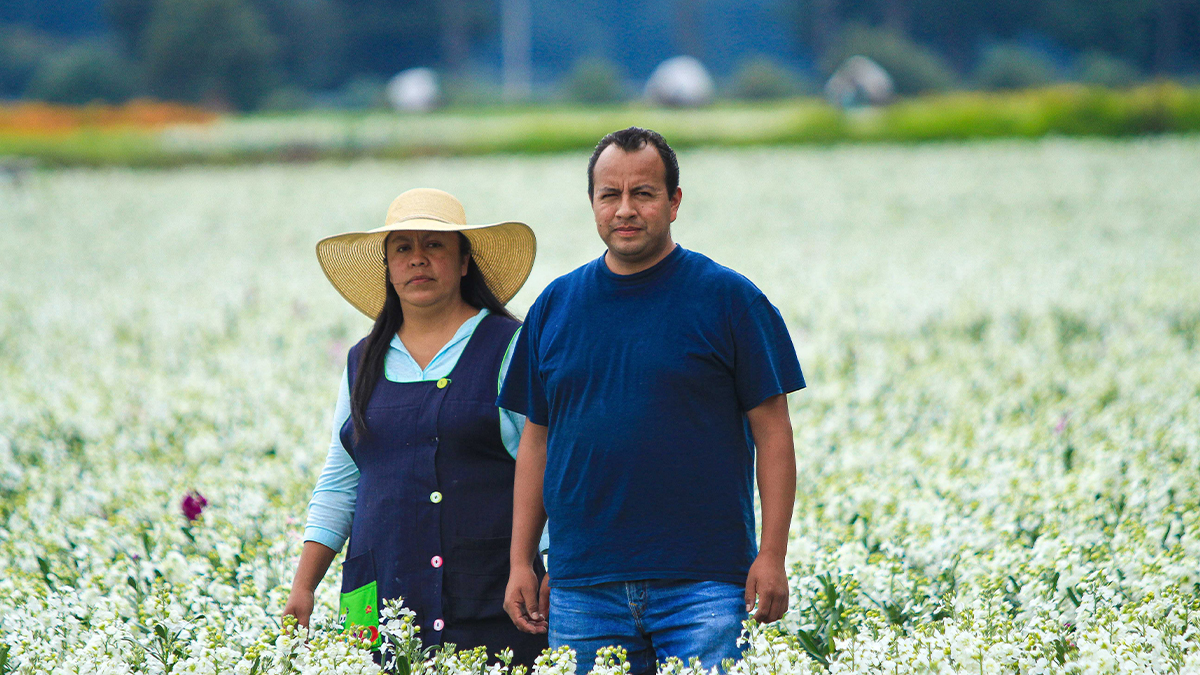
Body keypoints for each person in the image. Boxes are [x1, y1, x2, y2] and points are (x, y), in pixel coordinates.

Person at [499, 127, 804, 674]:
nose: (625, 209)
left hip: (704, 584)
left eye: (643, 193)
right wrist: (522, 560)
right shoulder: (554, 306)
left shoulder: (730, 299)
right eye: (609, 195)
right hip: (582, 586)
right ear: (592, 203)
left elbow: (774, 433)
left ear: (674, 202)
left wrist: (772, 555)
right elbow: (536, 443)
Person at [284, 187, 549, 667]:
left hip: (490, 595)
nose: (417, 259)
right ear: (388, 267)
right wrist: (304, 587)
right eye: (403, 247)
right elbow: (341, 483)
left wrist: (552, 565)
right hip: (377, 595)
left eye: (435, 245)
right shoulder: (362, 360)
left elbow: (546, 463)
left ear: (464, 262)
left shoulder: (508, 345)